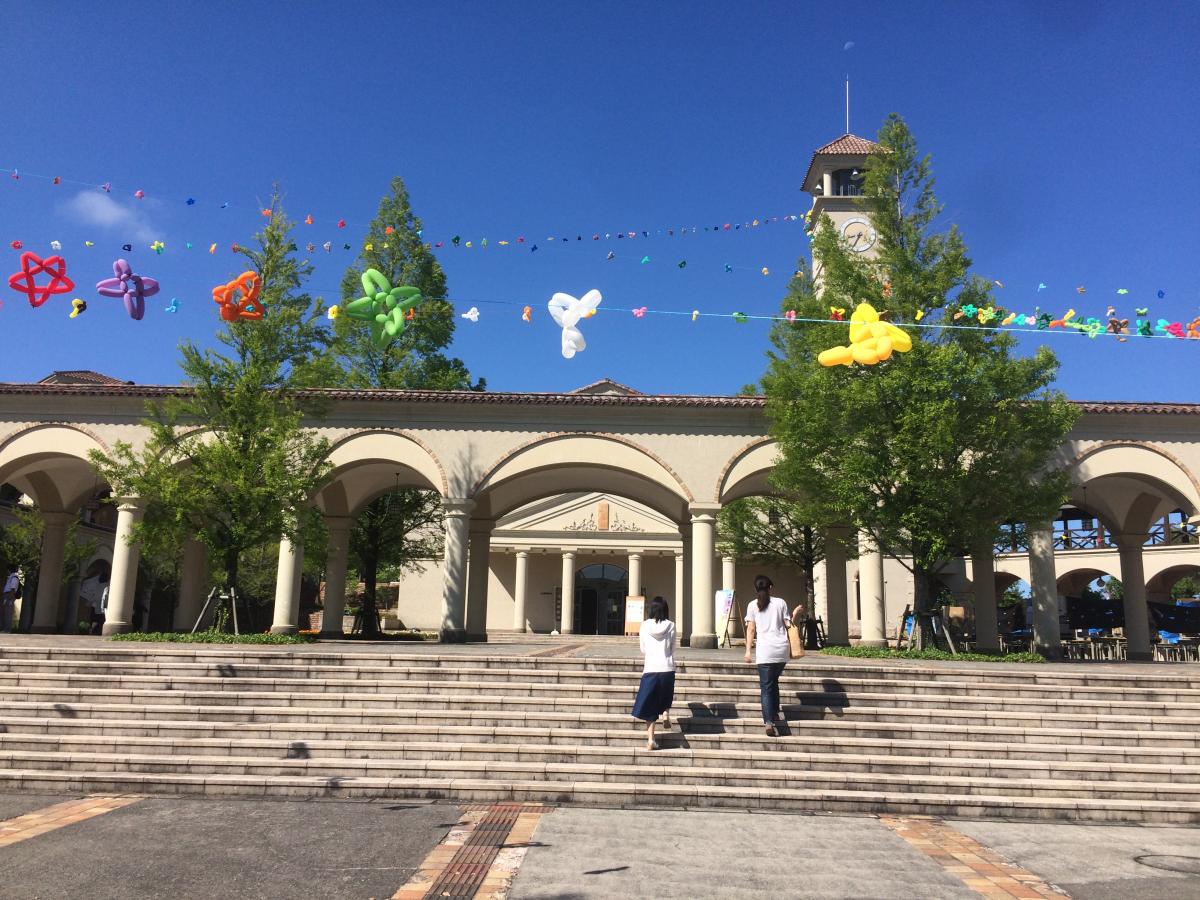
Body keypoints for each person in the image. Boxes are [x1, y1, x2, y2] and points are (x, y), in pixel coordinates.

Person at [744, 574, 791, 736]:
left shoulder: (752, 605)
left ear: (756, 588)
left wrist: (748, 651)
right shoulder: (781, 603)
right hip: (781, 650)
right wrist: (797, 613)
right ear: (770, 587)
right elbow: (788, 625)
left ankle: (769, 722)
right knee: (773, 681)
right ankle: (775, 713)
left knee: (766, 687)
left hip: (765, 651)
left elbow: (751, 629)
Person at [631, 596, 675, 751]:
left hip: (650, 668)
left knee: (649, 706)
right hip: (667, 667)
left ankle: (651, 740)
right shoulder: (671, 625)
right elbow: (671, 648)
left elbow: (643, 649)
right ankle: (665, 713)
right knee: (665, 696)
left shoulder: (644, 625)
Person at [2, 565, 20, 633]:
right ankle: (5, 629)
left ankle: (7, 630)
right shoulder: (11, 577)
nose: (7, 571)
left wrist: (8, 599)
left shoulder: (14, 578)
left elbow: (12, 589)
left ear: (9, 570)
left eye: (7, 570)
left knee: (8, 614)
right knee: (6, 613)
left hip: (9, 596)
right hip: (7, 596)